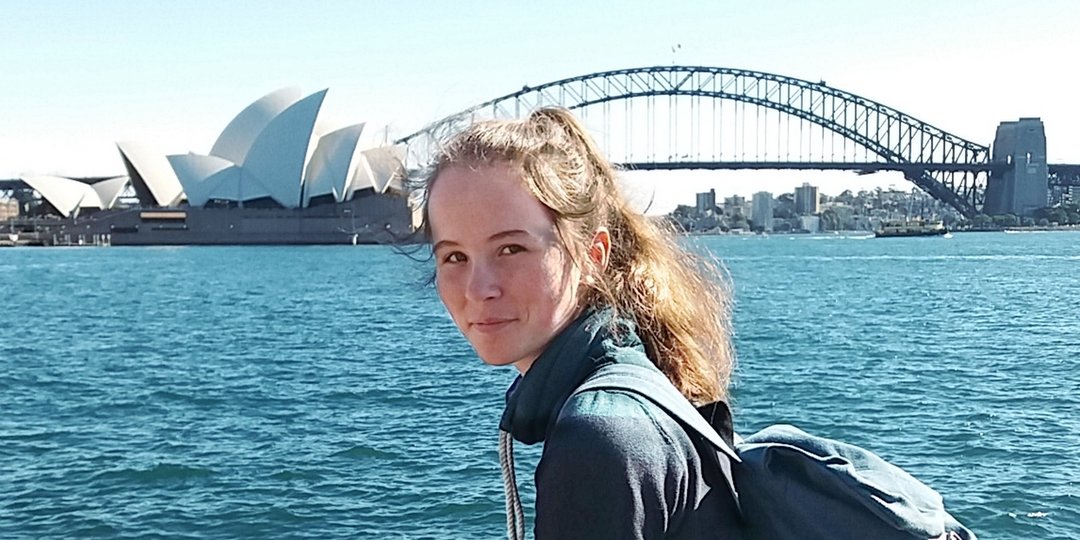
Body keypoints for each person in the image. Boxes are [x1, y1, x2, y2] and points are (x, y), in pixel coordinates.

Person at [418, 107, 740, 539]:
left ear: (592, 256)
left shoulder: (598, 437)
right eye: (454, 256)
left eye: (511, 249)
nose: (478, 289)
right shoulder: (636, 386)